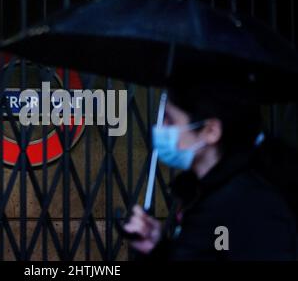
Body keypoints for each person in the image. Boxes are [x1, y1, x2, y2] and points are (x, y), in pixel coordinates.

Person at [123, 83, 298, 260]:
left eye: (170, 120)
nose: (161, 128)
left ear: (211, 131)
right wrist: (158, 249)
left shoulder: (248, 203)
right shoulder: (209, 192)